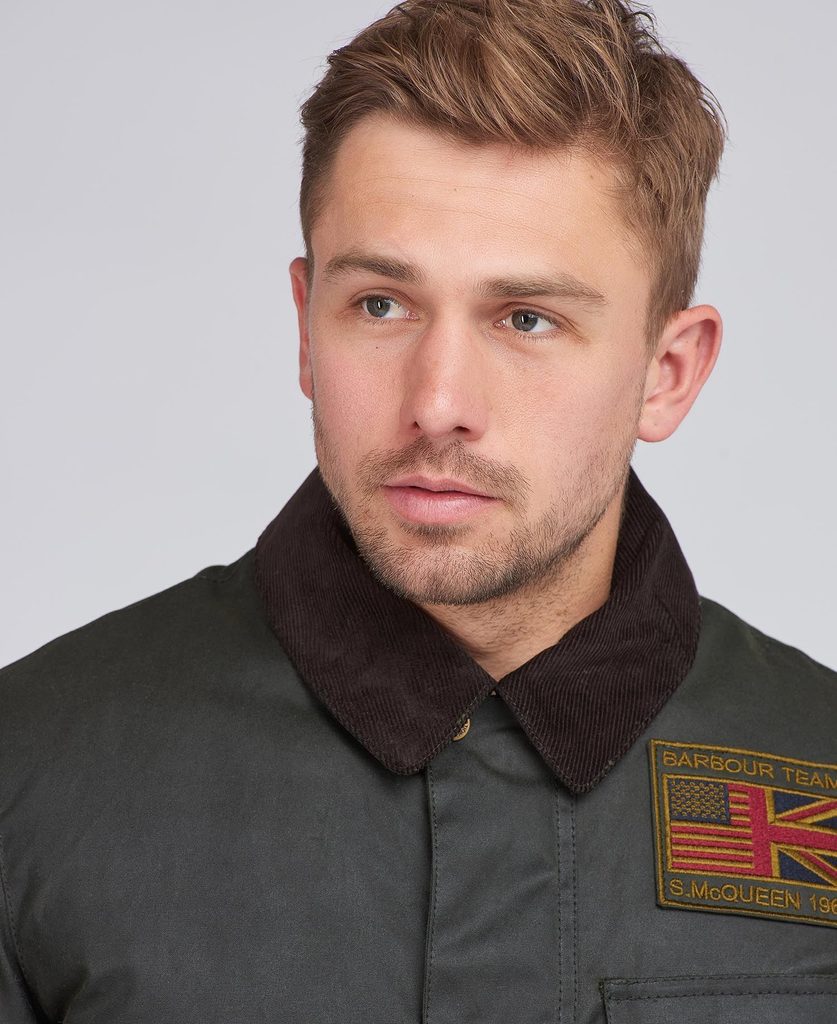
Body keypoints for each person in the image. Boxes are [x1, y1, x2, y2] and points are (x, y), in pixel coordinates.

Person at [1, 0, 835, 1020]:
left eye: (526, 318)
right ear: (306, 328)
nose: (437, 403)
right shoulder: (28, 773)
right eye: (381, 305)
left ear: (668, 373)